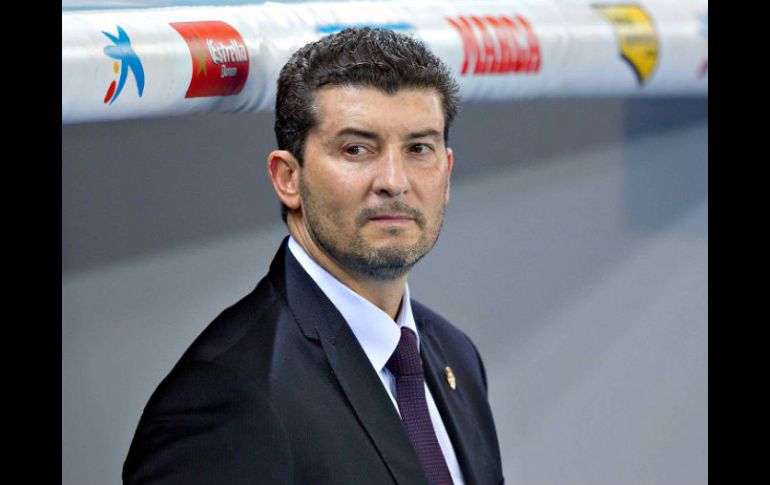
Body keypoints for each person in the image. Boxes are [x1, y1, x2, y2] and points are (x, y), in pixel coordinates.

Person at [123, 28, 503, 485]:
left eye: (418, 148)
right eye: (356, 149)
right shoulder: (227, 395)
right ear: (288, 177)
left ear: (446, 171)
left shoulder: (454, 355)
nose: (394, 180)